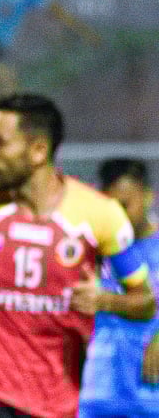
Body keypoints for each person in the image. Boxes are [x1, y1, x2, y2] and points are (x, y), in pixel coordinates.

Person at [0, 94, 156, 418]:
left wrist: (107, 303)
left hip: (90, 396)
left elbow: (144, 303)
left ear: (39, 150)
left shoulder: (97, 219)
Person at [78, 158, 159, 417]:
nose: (119, 217)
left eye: (125, 205)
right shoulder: (90, 252)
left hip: (150, 396)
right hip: (97, 396)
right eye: (111, 208)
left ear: (148, 197)